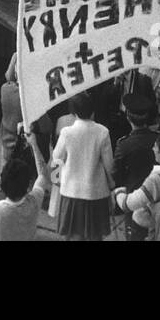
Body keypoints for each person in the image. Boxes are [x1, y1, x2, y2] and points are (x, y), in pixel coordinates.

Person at [50, 92, 115, 242]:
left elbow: (56, 158)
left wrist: (56, 180)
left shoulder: (67, 132)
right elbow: (109, 164)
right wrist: (112, 184)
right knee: (95, 236)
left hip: (71, 192)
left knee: (73, 236)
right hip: (96, 192)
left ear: (73, 112)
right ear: (93, 111)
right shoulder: (103, 132)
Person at [0, 142, 51, 242]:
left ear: (2, 185)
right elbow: (43, 174)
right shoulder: (35, 200)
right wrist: (34, 144)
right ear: (28, 185)